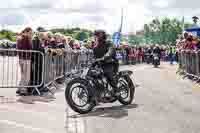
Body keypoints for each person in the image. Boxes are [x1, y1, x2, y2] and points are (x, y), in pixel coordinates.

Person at [92, 30, 120, 96]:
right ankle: (98, 92)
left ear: (103, 36)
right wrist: (93, 62)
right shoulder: (95, 47)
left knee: (108, 74)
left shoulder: (109, 43)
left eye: (98, 35)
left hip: (111, 63)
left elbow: (110, 52)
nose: (97, 37)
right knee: (93, 75)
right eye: (96, 36)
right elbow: (94, 57)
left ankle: (116, 90)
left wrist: (104, 58)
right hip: (101, 64)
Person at [16, 27, 33, 95]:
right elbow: (30, 47)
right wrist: (30, 39)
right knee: (26, 75)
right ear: (26, 32)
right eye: (30, 33)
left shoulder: (19, 38)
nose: (31, 34)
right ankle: (23, 89)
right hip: (26, 58)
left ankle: (20, 88)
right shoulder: (26, 38)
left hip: (21, 58)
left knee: (23, 74)